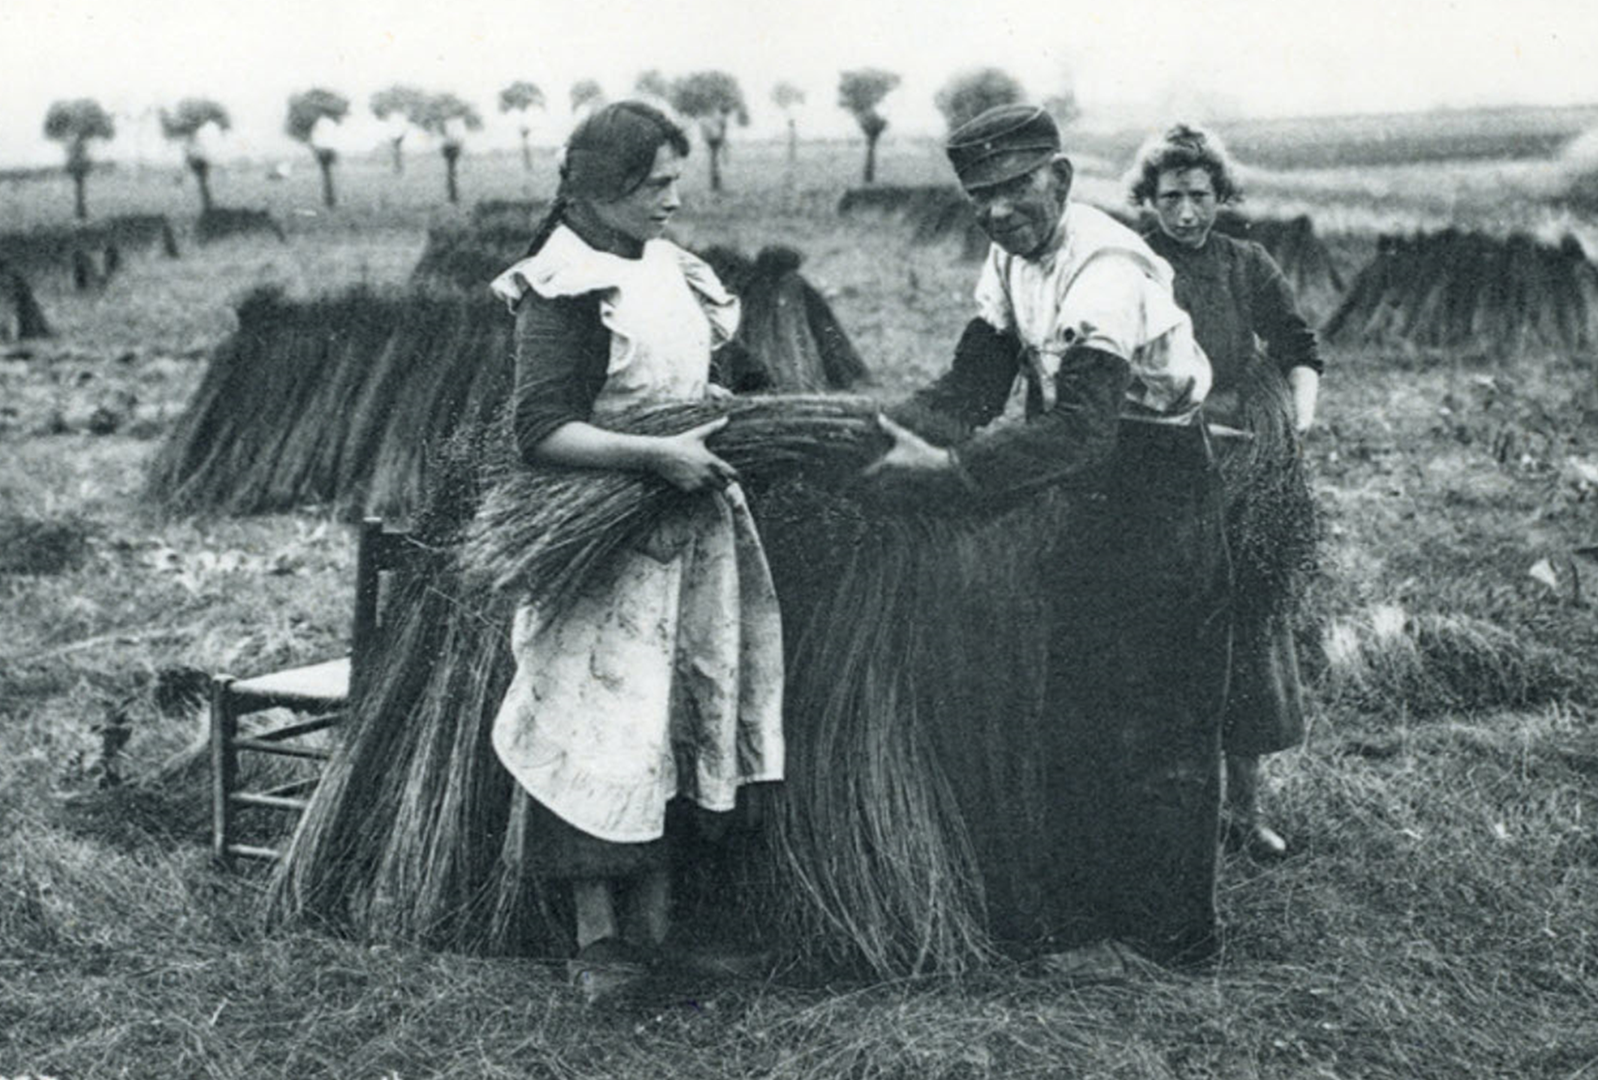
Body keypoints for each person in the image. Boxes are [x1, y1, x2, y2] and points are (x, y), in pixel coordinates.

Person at [865, 103, 1234, 961]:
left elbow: (1083, 429)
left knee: (1160, 720)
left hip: (1159, 492)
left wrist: (952, 473)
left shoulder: (1104, 266)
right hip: (1081, 495)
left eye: (1015, 188)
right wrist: (871, 435)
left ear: (1059, 179)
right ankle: (1089, 918)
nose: (997, 211)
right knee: (1078, 709)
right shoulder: (1010, 257)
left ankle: (1173, 938)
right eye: (980, 196)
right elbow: (971, 388)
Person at [485, 100, 784, 987]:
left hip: (690, 528)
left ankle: (660, 930)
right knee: (602, 724)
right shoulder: (567, 285)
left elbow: (703, 374)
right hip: (606, 548)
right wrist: (656, 456)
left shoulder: (670, 268)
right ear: (602, 188)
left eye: (675, 180)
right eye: (656, 184)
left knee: (678, 712)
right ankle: (598, 943)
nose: (674, 199)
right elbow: (541, 431)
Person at [1128, 124, 1323, 861]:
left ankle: (1244, 811)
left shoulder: (1247, 265)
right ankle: (1164, 810)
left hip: (1245, 464)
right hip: (1157, 457)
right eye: (1170, 197)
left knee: (1248, 632)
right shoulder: (1132, 266)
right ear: (1148, 200)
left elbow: (1299, 349)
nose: (1185, 213)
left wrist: (1290, 429)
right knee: (1165, 632)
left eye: (1199, 196)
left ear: (1221, 196)